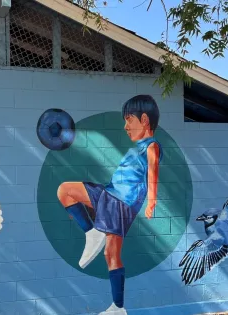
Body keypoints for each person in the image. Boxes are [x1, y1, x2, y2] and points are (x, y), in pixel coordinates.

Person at [57, 95, 162, 315]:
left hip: (121, 203)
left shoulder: (151, 146)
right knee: (66, 191)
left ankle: (117, 307)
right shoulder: (139, 146)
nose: (125, 126)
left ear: (144, 120)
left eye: (129, 120)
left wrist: (152, 201)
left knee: (111, 253)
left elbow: (153, 172)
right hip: (110, 194)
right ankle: (118, 307)